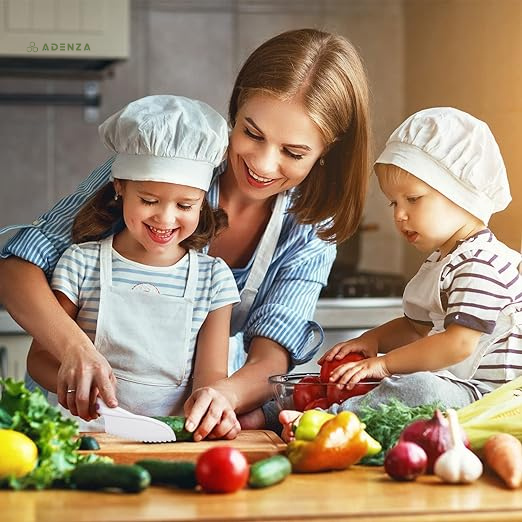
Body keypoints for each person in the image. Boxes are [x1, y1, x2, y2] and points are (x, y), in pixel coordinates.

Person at [0, 28, 372, 439]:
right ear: (236, 108)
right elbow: (18, 267)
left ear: (326, 151)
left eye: (293, 152)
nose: (264, 165)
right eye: (252, 133)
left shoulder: (309, 227)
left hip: (171, 427)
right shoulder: (162, 158)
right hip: (68, 420)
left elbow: (271, 356)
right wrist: (76, 352)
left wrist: (221, 397)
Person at [25, 95, 241, 437]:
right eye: (149, 200)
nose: (165, 218)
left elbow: (211, 377)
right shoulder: (82, 264)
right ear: (120, 187)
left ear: (203, 201)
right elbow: (39, 358)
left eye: (186, 204)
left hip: (169, 441)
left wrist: (211, 406)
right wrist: (78, 388)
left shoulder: (213, 280)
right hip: (87, 436)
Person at [311, 107, 522, 419]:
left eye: (413, 199)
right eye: (394, 202)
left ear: (461, 194)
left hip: (491, 399)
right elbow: (414, 329)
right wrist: (373, 340)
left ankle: (330, 419)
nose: (399, 214)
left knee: (421, 388)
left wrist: (383, 364)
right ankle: (287, 409)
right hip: (459, 387)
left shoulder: (482, 264)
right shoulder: (445, 260)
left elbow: (459, 344)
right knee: (402, 383)